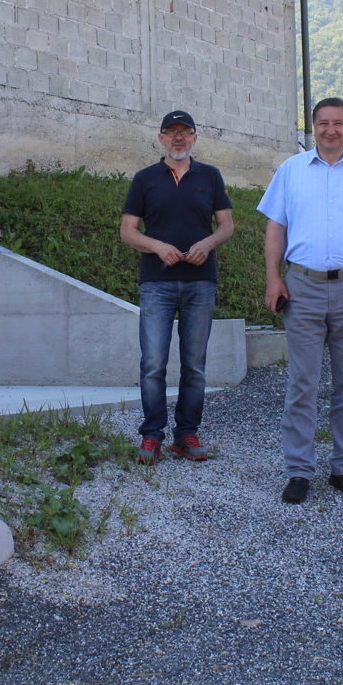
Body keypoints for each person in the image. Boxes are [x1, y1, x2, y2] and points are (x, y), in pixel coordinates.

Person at [259, 97, 343, 504]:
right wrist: (273, 278)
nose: (331, 130)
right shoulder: (291, 171)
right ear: (313, 127)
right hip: (302, 286)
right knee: (302, 382)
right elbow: (276, 228)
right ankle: (299, 471)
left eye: (338, 123)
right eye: (323, 123)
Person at [120, 110, 235, 464]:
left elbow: (227, 225)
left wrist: (207, 245)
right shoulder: (145, 179)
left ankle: (186, 434)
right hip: (157, 284)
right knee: (153, 363)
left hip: (201, 283)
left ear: (195, 138)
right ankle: (152, 435)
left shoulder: (210, 176)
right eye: (171, 131)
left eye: (185, 131)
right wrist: (157, 247)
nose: (178, 137)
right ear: (161, 138)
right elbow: (127, 231)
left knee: (194, 366)